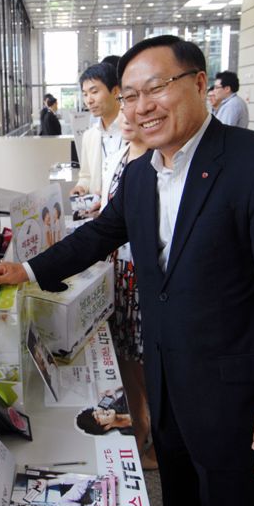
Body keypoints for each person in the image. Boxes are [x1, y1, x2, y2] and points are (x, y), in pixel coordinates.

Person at [0, 35, 254, 506]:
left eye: (156, 88)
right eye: (129, 95)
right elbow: (102, 234)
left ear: (200, 84)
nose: (141, 106)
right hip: (169, 391)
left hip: (243, 406)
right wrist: (29, 271)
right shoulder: (139, 174)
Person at [101, 111, 157, 470]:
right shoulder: (124, 152)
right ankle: (138, 428)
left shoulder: (154, 161)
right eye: (124, 102)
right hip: (120, 270)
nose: (126, 114)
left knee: (147, 365)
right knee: (127, 361)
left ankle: (158, 443)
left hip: (141, 274)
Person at [70, 62, 124, 202]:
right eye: (85, 94)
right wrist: (81, 187)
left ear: (115, 91)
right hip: (98, 214)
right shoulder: (89, 136)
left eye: (94, 92)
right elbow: (86, 176)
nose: (89, 100)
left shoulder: (133, 130)